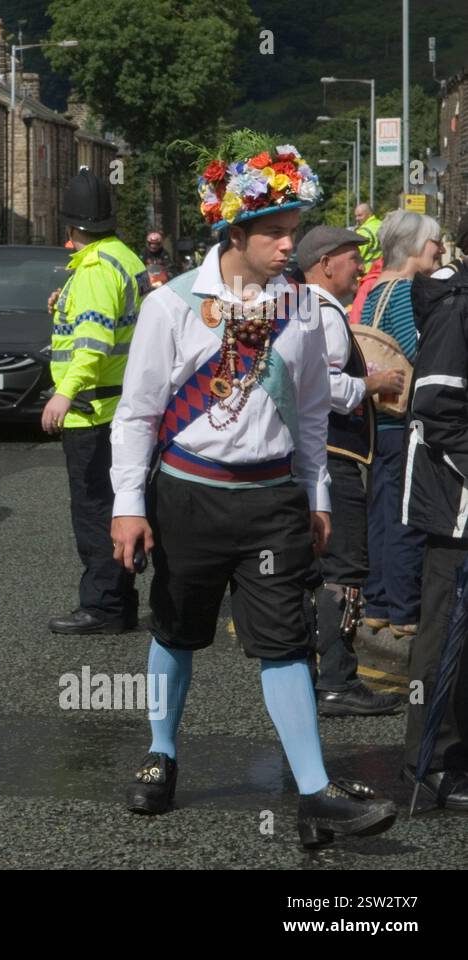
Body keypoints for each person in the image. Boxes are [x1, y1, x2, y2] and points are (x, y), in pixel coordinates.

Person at [111, 133, 397, 848]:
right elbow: (139, 414)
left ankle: (313, 792)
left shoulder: (301, 310)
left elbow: (307, 414)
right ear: (232, 232)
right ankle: (162, 753)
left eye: (292, 234)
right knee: (176, 628)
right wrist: (126, 505)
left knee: (286, 643)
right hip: (189, 494)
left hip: (272, 501)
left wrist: (318, 496)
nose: (286, 248)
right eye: (274, 234)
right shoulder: (172, 305)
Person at [298, 226, 405, 716]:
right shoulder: (323, 313)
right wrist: (374, 383)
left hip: (316, 456)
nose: (360, 268)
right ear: (325, 264)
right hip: (332, 459)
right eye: (352, 259)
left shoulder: (304, 308)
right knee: (344, 570)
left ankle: (311, 675)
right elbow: (328, 387)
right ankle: (337, 680)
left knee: (317, 571)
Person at [42, 168, 146, 634]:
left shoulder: (95, 268)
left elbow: (94, 341)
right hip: (120, 404)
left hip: (94, 410)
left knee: (95, 512)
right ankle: (119, 600)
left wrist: (65, 393)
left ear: (70, 227)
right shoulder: (124, 257)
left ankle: (104, 606)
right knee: (119, 503)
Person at [401, 256, 468, 809]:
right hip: (456, 504)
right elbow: (437, 409)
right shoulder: (456, 309)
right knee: (444, 630)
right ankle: (429, 765)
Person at [358, 210, 441, 639]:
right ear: (413, 247)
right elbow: (419, 349)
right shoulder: (407, 291)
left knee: (382, 514)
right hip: (402, 417)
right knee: (406, 517)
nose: (440, 250)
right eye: (434, 243)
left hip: (378, 419)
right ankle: (406, 610)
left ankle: (380, 603)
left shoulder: (374, 289)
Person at [355, 202, 383, 270]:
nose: (357, 219)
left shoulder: (363, 231)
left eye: (360, 215)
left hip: (367, 272)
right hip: (382, 269)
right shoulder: (382, 224)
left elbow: (356, 255)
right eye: (356, 216)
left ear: (369, 214)